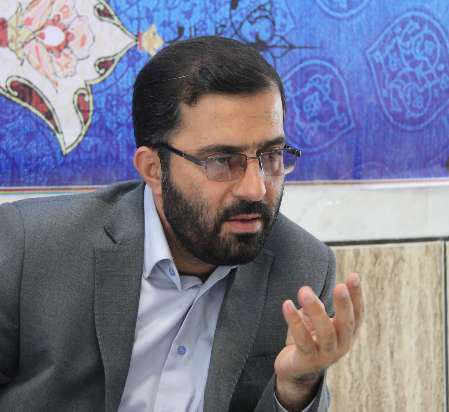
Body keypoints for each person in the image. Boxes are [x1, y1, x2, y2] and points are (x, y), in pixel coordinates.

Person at [0, 36, 363, 411]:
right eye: (222, 161)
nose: (256, 189)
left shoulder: (302, 269)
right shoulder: (30, 247)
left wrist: (296, 387)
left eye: (270, 156)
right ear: (153, 169)